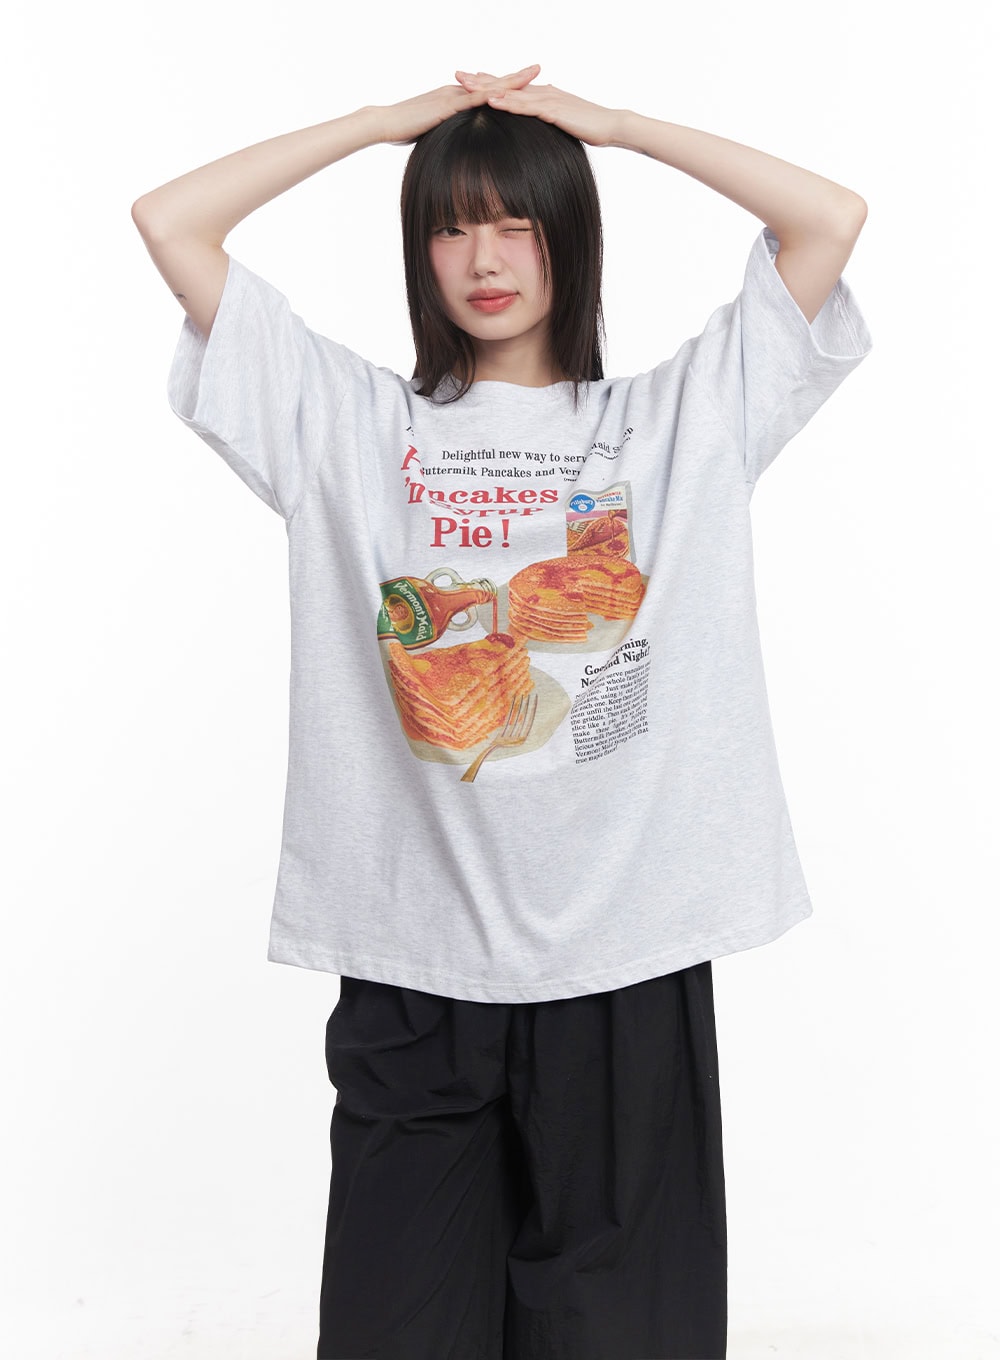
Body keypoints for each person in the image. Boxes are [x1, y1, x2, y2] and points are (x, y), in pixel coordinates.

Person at [132, 64, 873, 1360]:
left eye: (518, 223)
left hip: (626, 965)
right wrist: (385, 127)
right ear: (418, 250)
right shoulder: (345, 421)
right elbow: (171, 222)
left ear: (568, 238)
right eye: (452, 225)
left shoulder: (675, 419)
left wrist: (616, 129)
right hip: (414, 968)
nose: (484, 259)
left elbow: (829, 219)